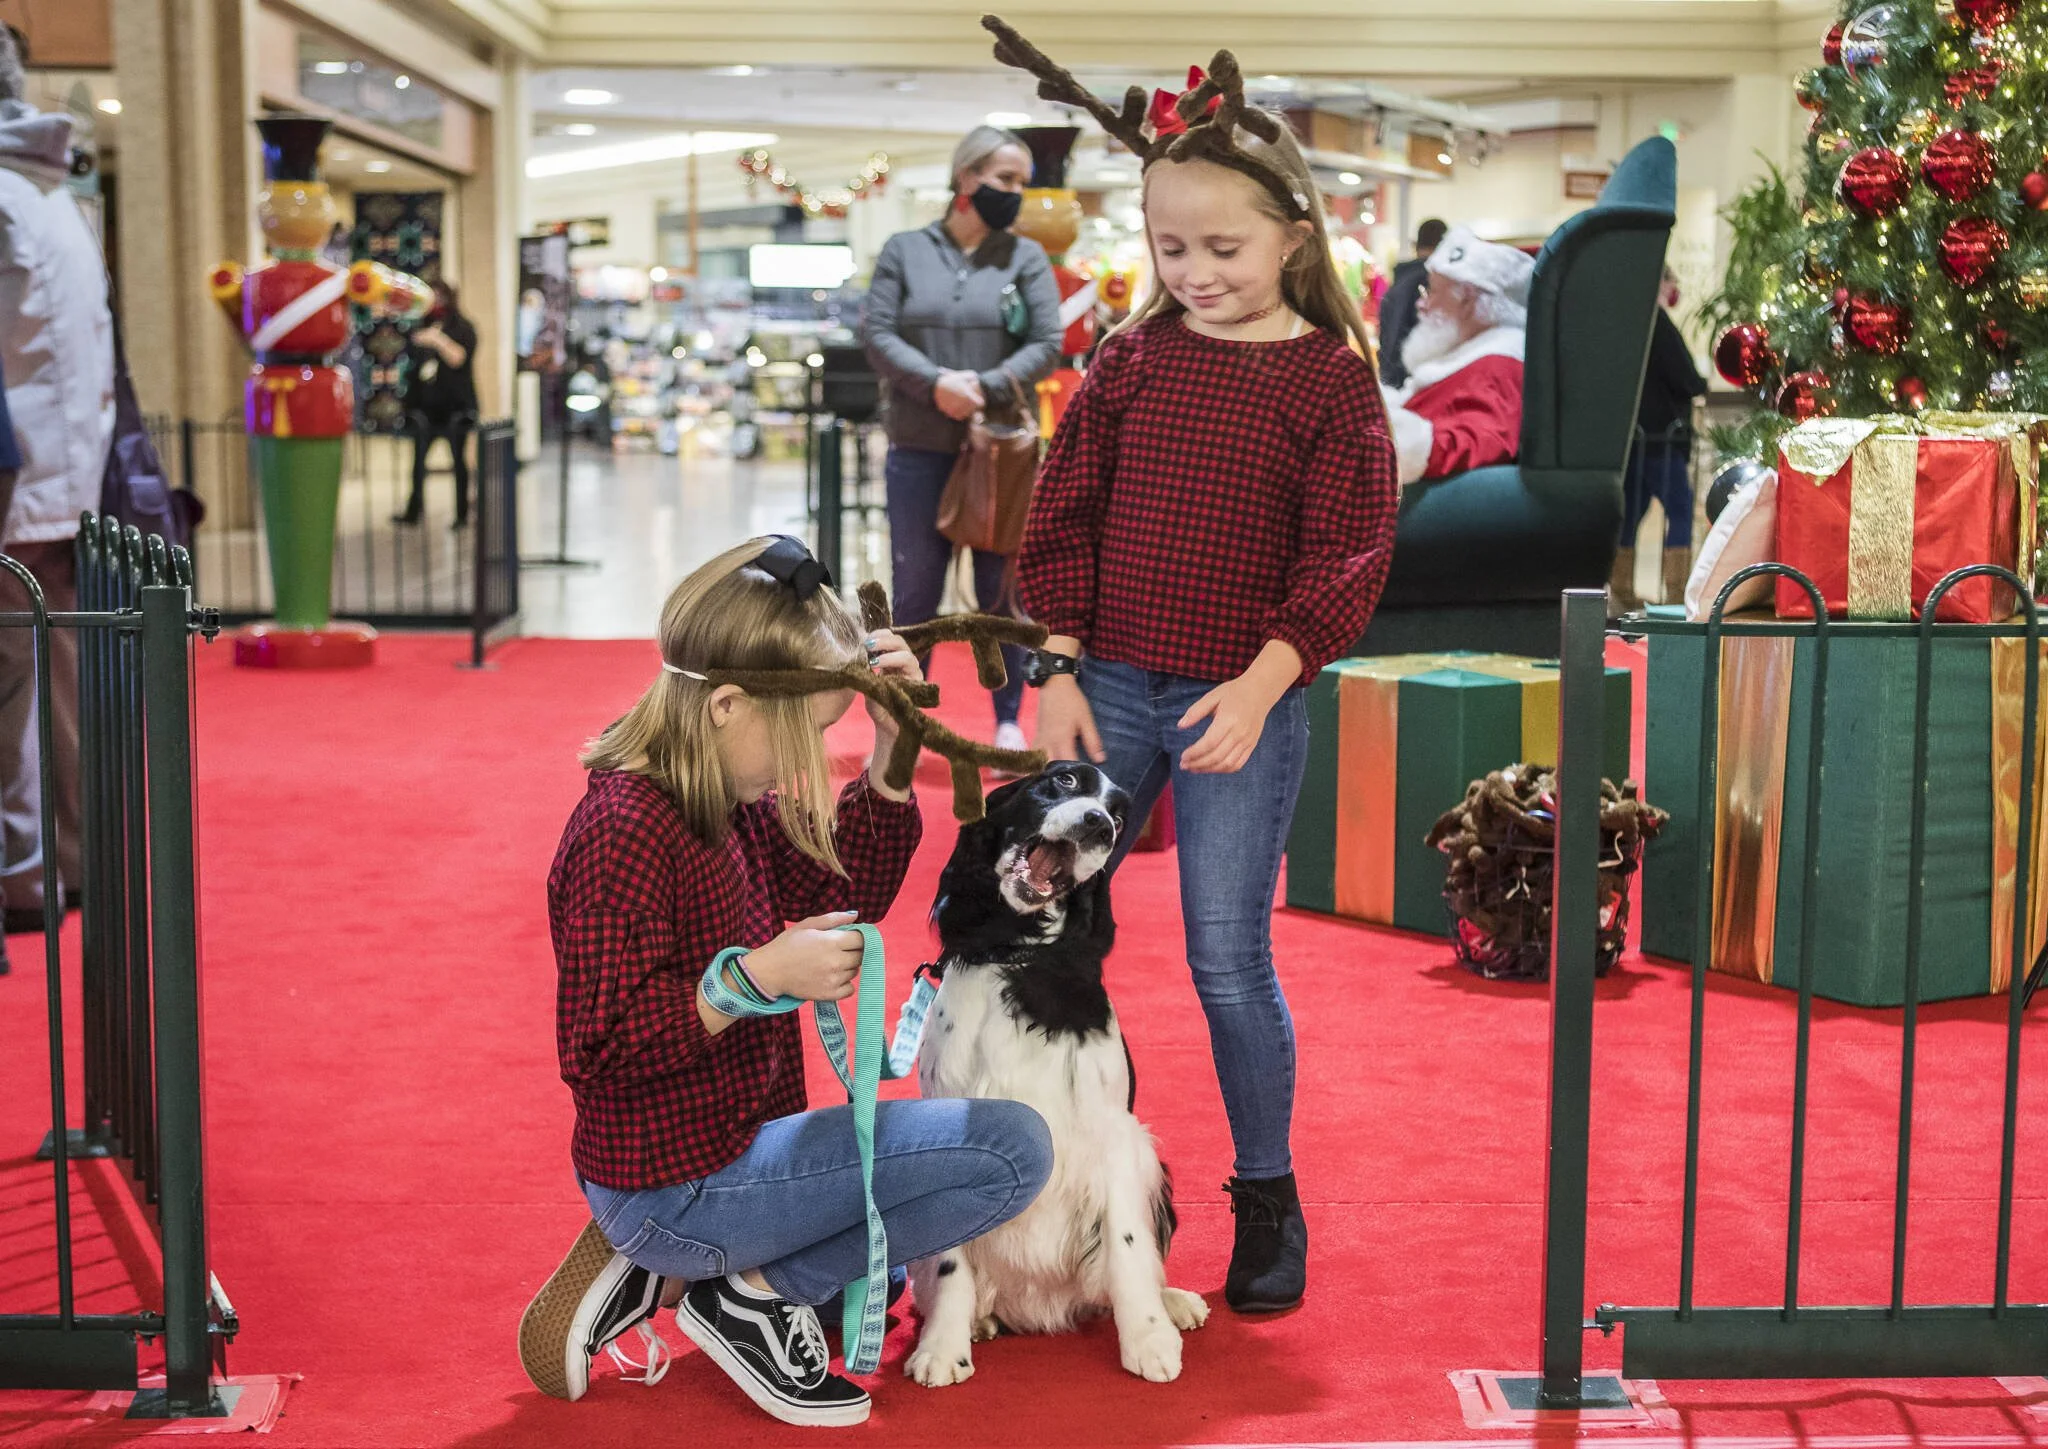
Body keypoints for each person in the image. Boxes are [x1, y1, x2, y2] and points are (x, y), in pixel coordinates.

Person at [1014, 63, 1400, 1315]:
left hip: (1242, 692)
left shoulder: (1333, 384)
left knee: (1227, 962)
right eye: (1168, 246)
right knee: (1049, 928)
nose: (1192, 272)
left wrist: (1261, 684)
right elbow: (1060, 518)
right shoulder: (1131, 364)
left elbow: (1344, 557)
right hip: (1109, 682)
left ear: (1294, 237)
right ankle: (1043, 1180)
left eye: (1222, 247)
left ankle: (1264, 1193)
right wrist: (1055, 671)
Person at [521, 536, 1052, 1426]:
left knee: (868, 1277)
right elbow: (597, 1049)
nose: (811, 753)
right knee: (1012, 1152)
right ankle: (727, 1287)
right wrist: (751, 977)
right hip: (678, 1176)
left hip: (721, 1147)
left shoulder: (720, 795)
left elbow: (841, 895)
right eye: (807, 728)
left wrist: (891, 755)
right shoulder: (626, 828)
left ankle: (689, 1267)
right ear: (728, 703)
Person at [862, 125, 1061, 754]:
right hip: (920, 445)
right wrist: (936, 383)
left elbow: (1048, 342)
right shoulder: (904, 249)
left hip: (999, 451)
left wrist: (986, 381)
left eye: (1020, 183)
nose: (1014, 193)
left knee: (1001, 588)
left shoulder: (1024, 257)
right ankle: (903, 716)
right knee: (915, 587)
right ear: (965, 177)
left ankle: (1007, 716)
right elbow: (877, 331)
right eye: (1005, 180)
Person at [0, 22, 113, 938]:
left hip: (17, 488)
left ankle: (28, 872)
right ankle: (64, 860)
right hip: (57, 477)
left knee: (19, 690)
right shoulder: (50, 197)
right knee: (52, 680)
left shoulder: (10, 199)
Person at [1380, 226, 1533, 486]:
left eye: (1433, 291)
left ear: (1467, 300)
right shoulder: (1473, 354)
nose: (1422, 303)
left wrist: (1387, 435)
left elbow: (1480, 441)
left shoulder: (1498, 365)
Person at [1613, 266, 1706, 612]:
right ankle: (1676, 593)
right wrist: (1699, 385)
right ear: (1657, 284)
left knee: (1631, 512)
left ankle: (1621, 591)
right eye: (1670, 281)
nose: (1675, 287)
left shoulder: (1625, 324)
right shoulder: (1659, 323)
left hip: (1632, 438)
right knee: (1680, 511)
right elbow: (1686, 377)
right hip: (1662, 439)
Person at [392, 279, 478, 527]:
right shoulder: (421, 327)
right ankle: (413, 510)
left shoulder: (462, 327)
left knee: (458, 463)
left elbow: (459, 358)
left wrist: (438, 341)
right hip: (426, 410)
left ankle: (461, 514)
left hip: (455, 408)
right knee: (418, 462)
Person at [1373, 217, 1445, 389]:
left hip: (1393, 383)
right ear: (1443, 246)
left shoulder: (1396, 285)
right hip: (1417, 385)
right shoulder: (1432, 284)